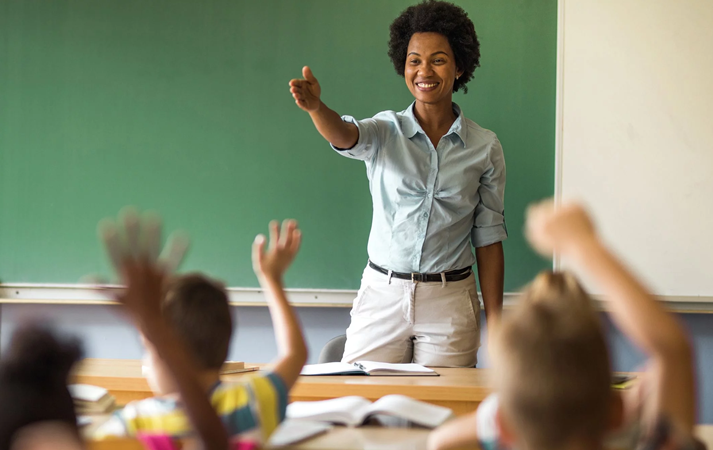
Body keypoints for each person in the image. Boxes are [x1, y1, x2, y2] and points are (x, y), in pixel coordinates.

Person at [289, 0, 506, 366]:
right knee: (359, 406)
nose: (424, 70)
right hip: (383, 294)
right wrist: (316, 109)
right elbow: (345, 135)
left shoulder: (484, 147)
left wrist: (497, 323)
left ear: (459, 67)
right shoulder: (385, 130)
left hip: (450, 301)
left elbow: (488, 239)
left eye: (438, 59)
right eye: (414, 60)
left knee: (444, 411)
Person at [427, 200, 702, 450]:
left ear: (503, 425)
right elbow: (671, 347)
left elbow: (439, 442)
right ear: (616, 412)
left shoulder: (499, 424)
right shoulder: (651, 437)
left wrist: (498, 414)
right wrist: (581, 242)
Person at [96, 214, 307, 444]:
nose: (145, 366)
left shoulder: (133, 424)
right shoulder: (255, 400)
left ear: (164, 352)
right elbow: (294, 354)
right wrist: (272, 278)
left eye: (147, 350)